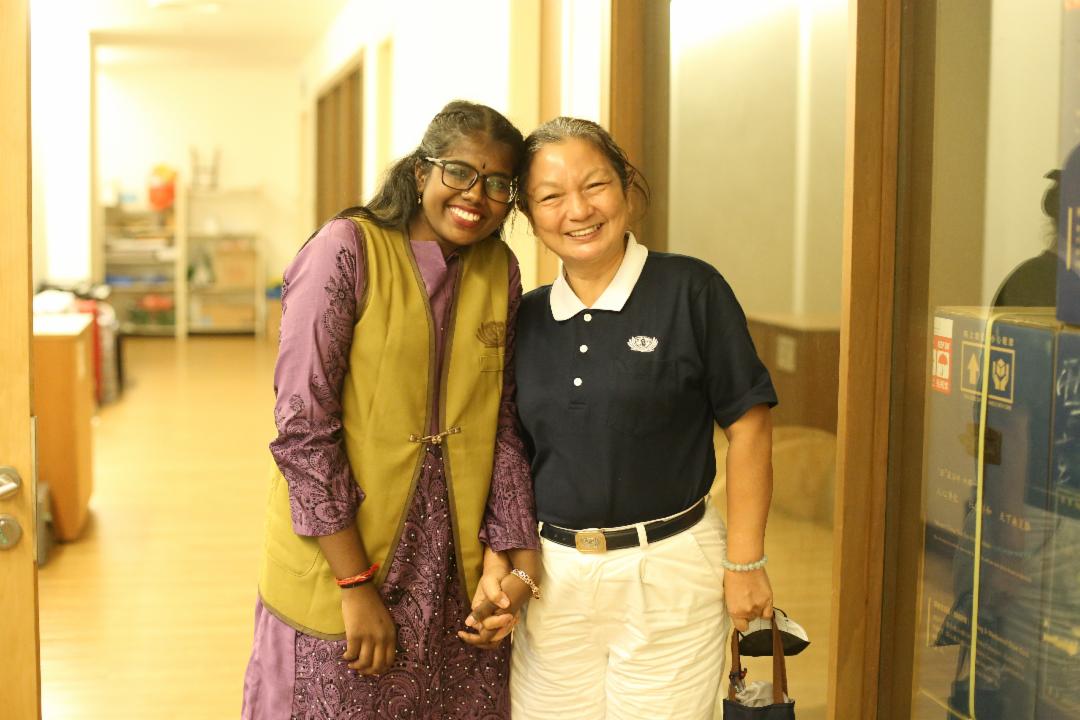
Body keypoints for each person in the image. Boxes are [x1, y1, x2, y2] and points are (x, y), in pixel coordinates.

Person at [241, 100, 541, 719]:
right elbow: (303, 432)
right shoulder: (345, 249)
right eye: (458, 173)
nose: (475, 196)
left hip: (451, 566)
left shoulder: (499, 270)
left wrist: (509, 552)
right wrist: (353, 585)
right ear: (419, 172)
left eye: (497, 184)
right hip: (347, 552)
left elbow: (504, 424)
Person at [483, 117, 779, 719]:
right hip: (552, 577)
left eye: (595, 185)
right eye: (550, 196)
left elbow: (748, 426)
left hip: (669, 570)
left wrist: (745, 562)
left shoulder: (691, 290)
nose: (578, 210)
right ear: (530, 216)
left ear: (626, 188)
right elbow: (507, 452)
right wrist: (501, 559)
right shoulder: (527, 316)